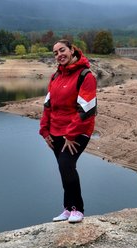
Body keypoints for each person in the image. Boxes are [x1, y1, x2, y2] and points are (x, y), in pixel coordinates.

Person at [39, 39, 97, 223]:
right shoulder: (56, 76)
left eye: (62, 50)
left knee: (66, 165)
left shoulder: (85, 75)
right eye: (55, 53)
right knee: (64, 169)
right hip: (56, 131)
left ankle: (77, 209)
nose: (59, 55)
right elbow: (48, 105)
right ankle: (67, 207)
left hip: (77, 132)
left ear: (72, 50)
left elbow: (87, 110)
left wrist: (71, 135)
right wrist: (45, 131)